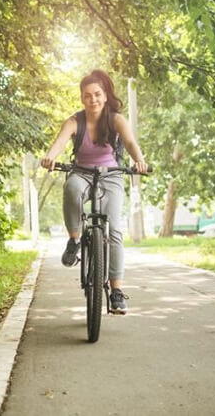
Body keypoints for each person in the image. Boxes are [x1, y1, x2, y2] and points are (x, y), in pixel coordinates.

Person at [40, 70, 148, 314]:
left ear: (105, 95)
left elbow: (130, 143)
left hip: (111, 175)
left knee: (116, 231)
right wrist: (50, 157)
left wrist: (139, 161)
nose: (93, 100)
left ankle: (117, 291)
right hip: (81, 172)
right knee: (71, 187)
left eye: (98, 94)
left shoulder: (116, 119)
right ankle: (75, 239)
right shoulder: (74, 122)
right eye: (87, 96)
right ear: (81, 98)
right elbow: (59, 143)